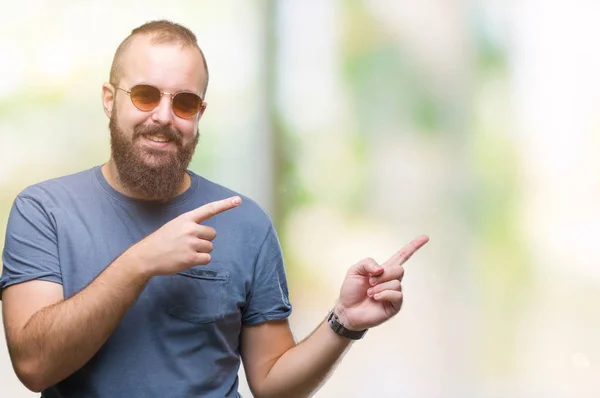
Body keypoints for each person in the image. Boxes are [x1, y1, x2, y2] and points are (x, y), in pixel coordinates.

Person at [0, 20, 429, 398]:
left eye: (184, 102)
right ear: (110, 100)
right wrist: (141, 262)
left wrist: (345, 321)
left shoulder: (245, 222)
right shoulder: (44, 210)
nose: (164, 117)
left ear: (199, 113)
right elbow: (34, 367)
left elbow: (271, 383)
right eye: (146, 95)